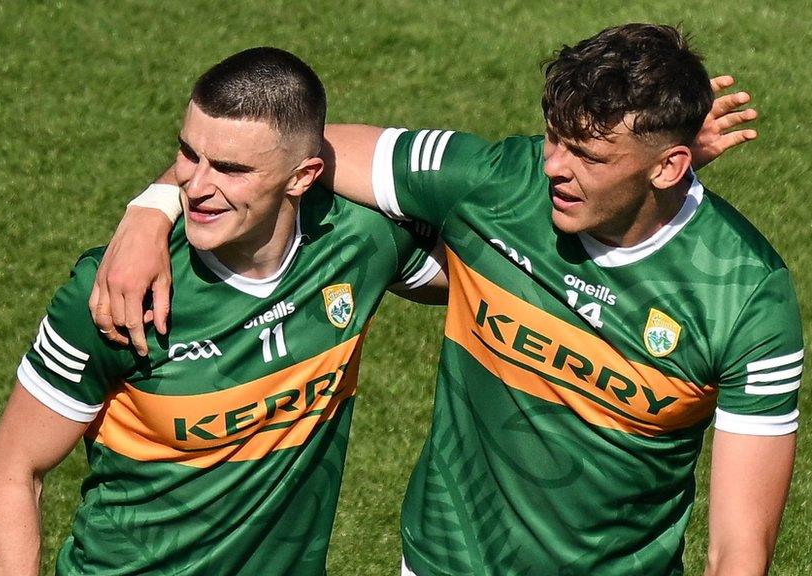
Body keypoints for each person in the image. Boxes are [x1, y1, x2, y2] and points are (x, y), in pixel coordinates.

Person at [91, 24, 776, 576]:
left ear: (671, 165)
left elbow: (738, 550)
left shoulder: (746, 295)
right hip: (443, 560)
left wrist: (643, 190)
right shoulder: (491, 185)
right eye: (554, 139)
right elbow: (275, 151)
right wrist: (151, 208)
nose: (553, 169)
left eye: (590, 157)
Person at [0, 47, 443, 576]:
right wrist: (153, 204)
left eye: (230, 169)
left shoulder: (359, 240)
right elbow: (11, 472)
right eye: (187, 154)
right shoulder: (118, 290)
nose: (196, 188)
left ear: (302, 176)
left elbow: (491, 275)